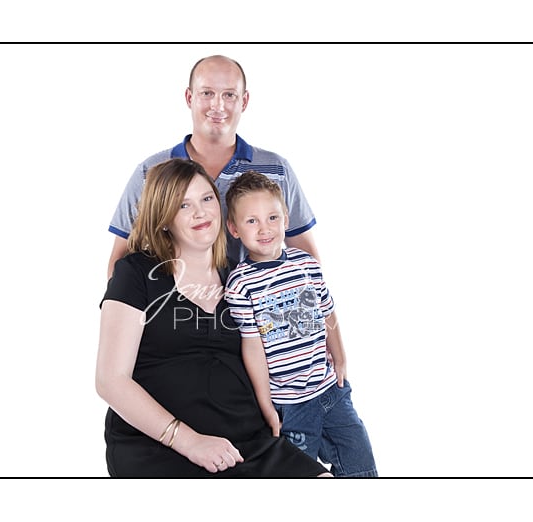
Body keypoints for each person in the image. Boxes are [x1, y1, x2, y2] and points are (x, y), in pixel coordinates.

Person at [95, 158, 331, 477]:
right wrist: (189, 441)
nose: (201, 212)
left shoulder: (242, 280)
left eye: (207, 199)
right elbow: (110, 381)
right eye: (183, 205)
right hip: (158, 447)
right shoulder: (135, 273)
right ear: (163, 217)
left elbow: (288, 348)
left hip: (248, 443)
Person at [107, 54, 321, 279]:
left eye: (229, 94)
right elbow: (120, 262)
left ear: (244, 101)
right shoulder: (150, 171)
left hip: (257, 299)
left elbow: (306, 258)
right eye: (207, 93)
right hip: (174, 299)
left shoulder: (276, 169)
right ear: (189, 97)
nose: (217, 105)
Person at [224, 170, 378, 477]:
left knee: (361, 465)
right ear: (234, 228)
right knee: (300, 475)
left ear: (286, 218)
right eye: (252, 221)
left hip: (330, 392)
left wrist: (341, 358)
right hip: (288, 404)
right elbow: (252, 347)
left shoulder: (306, 264)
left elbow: (327, 312)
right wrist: (266, 405)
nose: (264, 228)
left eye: (272, 217)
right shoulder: (240, 284)